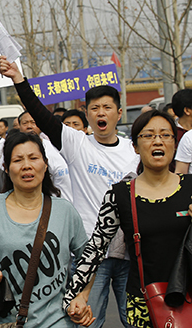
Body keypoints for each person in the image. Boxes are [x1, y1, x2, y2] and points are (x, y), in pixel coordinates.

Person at [0, 56, 139, 328]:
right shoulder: (76, 144)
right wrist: (19, 80)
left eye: (107, 108)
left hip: (130, 251)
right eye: (95, 108)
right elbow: (41, 114)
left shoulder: (133, 151)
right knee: (84, 321)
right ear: (86, 114)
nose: (101, 113)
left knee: (136, 321)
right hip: (88, 252)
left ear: (118, 113)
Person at [65, 110, 192, 328]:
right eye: (149, 135)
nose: (157, 141)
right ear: (135, 146)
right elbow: (96, 248)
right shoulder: (120, 194)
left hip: (189, 299)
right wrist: (76, 295)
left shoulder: (190, 187)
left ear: (175, 143)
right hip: (144, 306)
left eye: (165, 135)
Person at [0, 132, 90, 327]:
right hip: (6, 322)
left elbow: (87, 259)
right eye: (18, 160)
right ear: (6, 168)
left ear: (45, 164)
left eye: (33, 158)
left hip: (58, 322)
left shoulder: (64, 211)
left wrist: (82, 296)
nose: (27, 165)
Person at [17, 111, 73, 203]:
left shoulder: (54, 147)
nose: (29, 126)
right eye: (25, 123)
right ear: (19, 126)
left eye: (33, 122)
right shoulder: (14, 150)